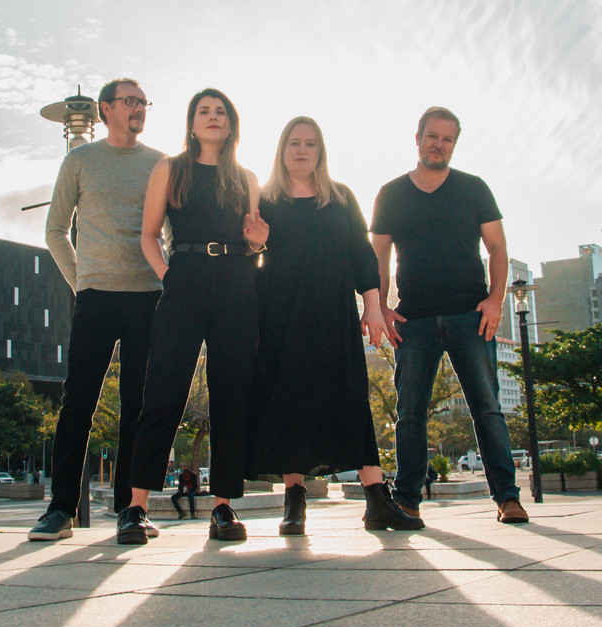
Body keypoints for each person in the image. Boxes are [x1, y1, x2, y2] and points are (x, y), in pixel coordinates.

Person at [248, 117, 424, 536]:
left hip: (333, 313)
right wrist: (255, 243)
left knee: (350, 398)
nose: (302, 150)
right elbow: (250, 256)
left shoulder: (341, 196)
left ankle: (377, 500)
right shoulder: (265, 199)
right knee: (288, 400)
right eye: (294, 143)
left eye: (310, 143)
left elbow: (362, 254)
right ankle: (294, 501)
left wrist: (374, 307)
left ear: (320, 151)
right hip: (279, 315)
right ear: (282, 149)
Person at [116, 88, 269, 545]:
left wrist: (258, 242)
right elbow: (148, 235)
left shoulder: (246, 177)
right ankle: (136, 508)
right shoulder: (171, 168)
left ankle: (222, 507)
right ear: (192, 122)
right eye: (204, 111)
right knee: (163, 391)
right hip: (184, 278)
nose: (213, 117)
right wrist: (170, 277)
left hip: (236, 282)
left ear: (231, 123)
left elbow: (254, 242)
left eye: (221, 111)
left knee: (231, 396)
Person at [371, 106, 529, 525]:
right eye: (432, 136)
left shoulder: (474, 189)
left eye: (447, 139)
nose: (439, 145)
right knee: (410, 413)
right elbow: (378, 256)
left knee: (487, 408)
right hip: (413, 319)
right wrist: (381, 306)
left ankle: (507, 498)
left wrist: (495, 300)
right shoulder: (390, 193)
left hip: (470, 316)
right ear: (418, 138)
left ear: (454, 144)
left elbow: (498, 248)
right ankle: (407, 499)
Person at [28, 78, 165, 542]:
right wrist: (81, 281)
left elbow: (170, 229)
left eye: (143, 102)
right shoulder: (80, 160)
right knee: (78, 402)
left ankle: (132, 509)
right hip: (95, 297)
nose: (139, 108)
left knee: (137, 407)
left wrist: (168, 279)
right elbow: (55, 230)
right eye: (130, 101)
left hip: (148, 297)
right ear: (106, 109)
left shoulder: (160, 163)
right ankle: (61, 509)